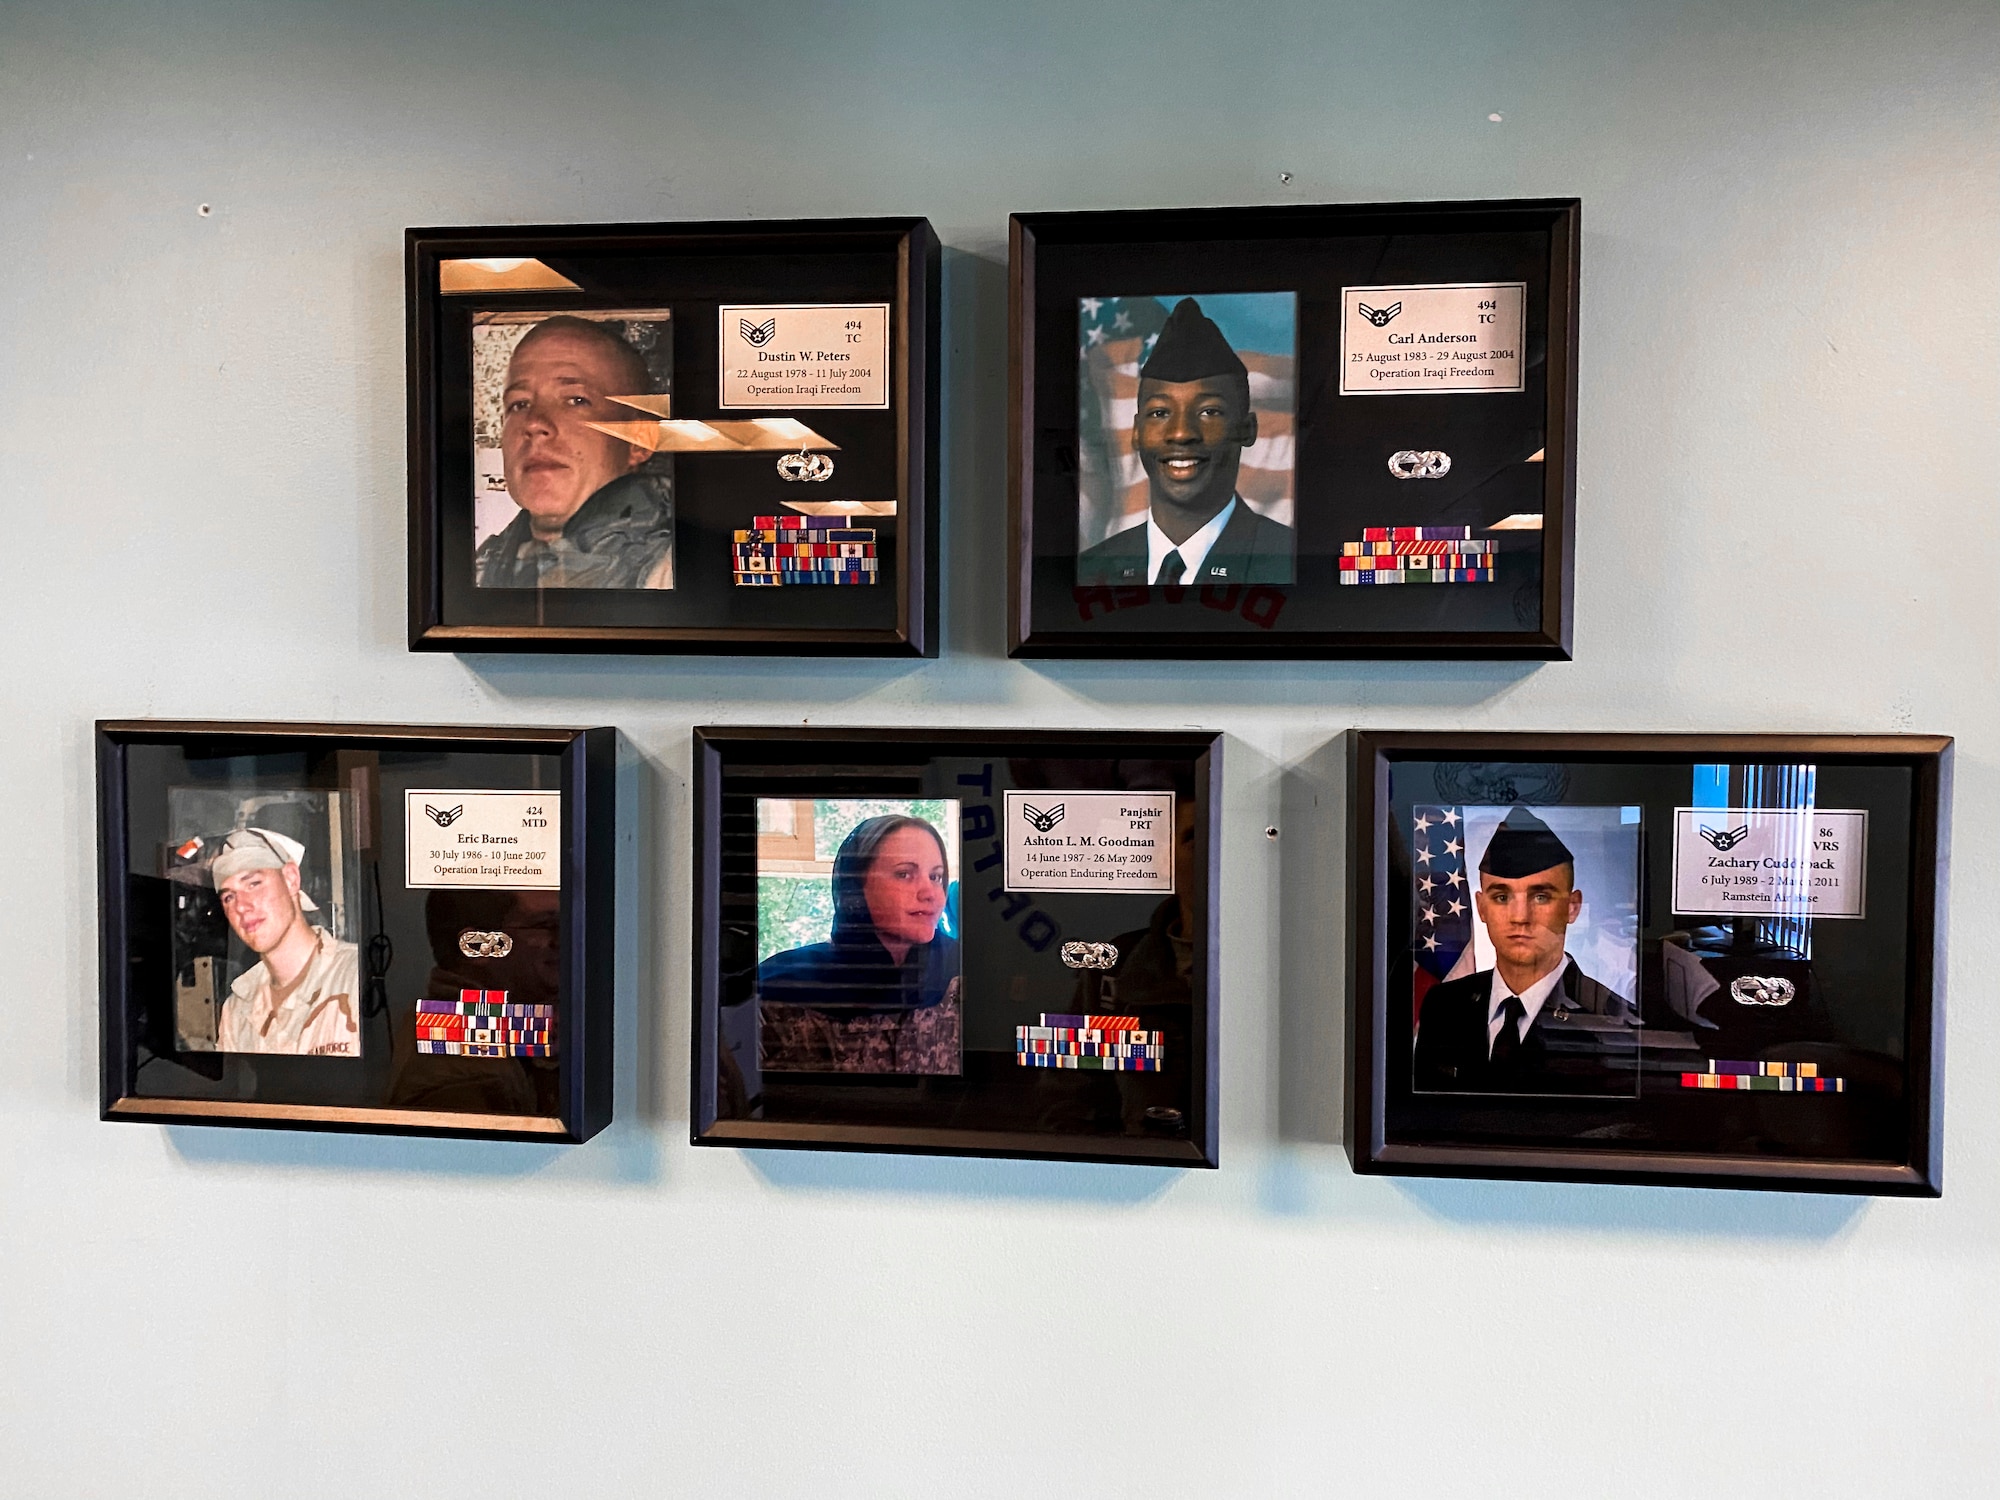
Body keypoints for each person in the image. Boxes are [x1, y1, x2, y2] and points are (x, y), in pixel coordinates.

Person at [1412, 807, 1634, 1095]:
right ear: (1481, 907)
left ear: (1572, 907)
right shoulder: (1443, 1007)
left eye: (1540, 896)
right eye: (1502, 897)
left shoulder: (1613, 1019)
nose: (1520, 917)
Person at [1076, 296, 1294, 586]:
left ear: (1247, 429)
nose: (1180, 433)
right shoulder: (1092, 571)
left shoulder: (1289, 561)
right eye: (1160, 412)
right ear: (1137, 432)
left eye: (1208, 411)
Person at [474, 314, 674, 590]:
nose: (534, 423)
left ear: (639, 440)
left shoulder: (680, 573)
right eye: (519, 404)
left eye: (575, 400)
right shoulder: (477, 575)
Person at [758, 814, 961, 1074]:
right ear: (855, 886)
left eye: (936, 877)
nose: (930, 893)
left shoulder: (964, 973)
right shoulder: (777, 989)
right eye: (904, 874)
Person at [211, 828, 361, 1057]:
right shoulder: (238, 1009)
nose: (241, 906)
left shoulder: (354, 977)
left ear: (291, 879)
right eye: (229, 897)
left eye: (254, 884)